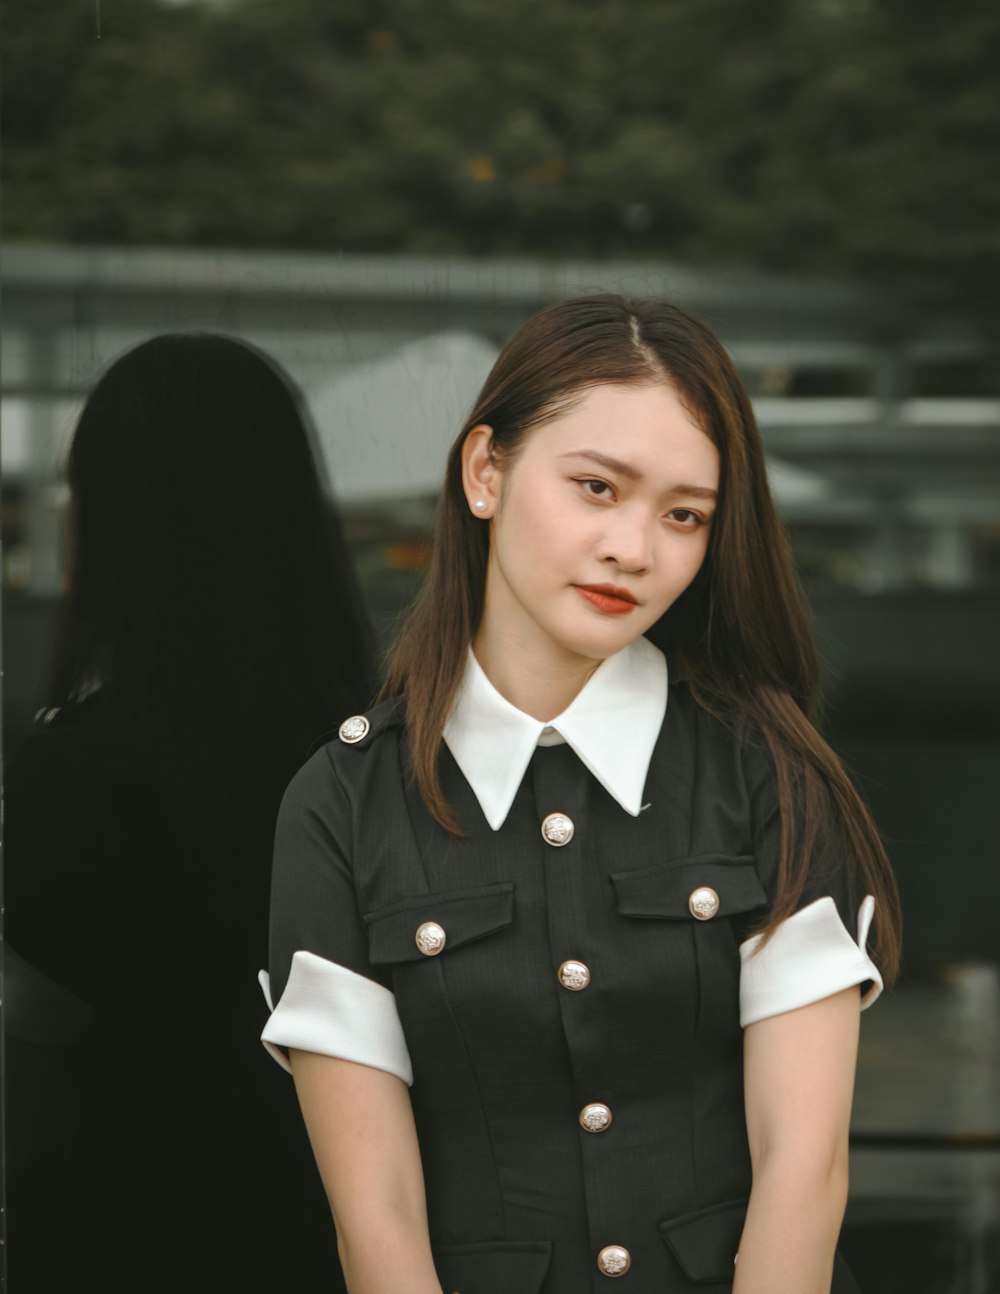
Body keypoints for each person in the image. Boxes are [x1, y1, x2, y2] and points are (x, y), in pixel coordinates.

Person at [261, 295, 902, 1294]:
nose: (634, 549)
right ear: (486, 471)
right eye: (597, 487)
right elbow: (375, 1212)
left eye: (684, 514)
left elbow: (802, 1168)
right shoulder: (342, 803)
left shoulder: (765, 770)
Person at [5, 333, 372, 1292]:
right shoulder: (391, 763)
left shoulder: (77, 776)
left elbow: (28, 1077)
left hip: (124, 1241)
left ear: (113, 521)